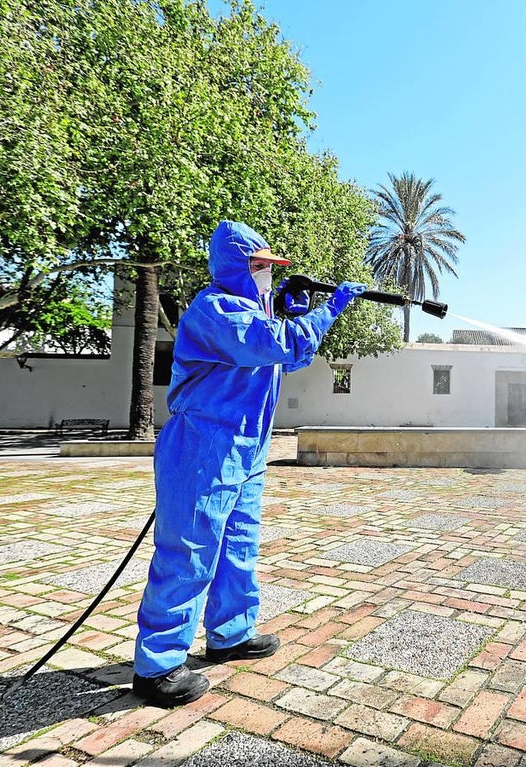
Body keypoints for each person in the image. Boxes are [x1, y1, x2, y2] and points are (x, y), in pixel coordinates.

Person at [132, 220, 366, 707]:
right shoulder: (215, 308)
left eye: (271, 268)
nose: (269, 276)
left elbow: (288, 357)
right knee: (189, 551)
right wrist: (330, 308)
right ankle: (156, 666)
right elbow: (278, 345)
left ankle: (230, 634)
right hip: (204, 442)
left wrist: (290, 314)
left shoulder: (256, 317)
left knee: (239, 542)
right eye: (260, 267)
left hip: (249, 445)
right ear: (237, 267)